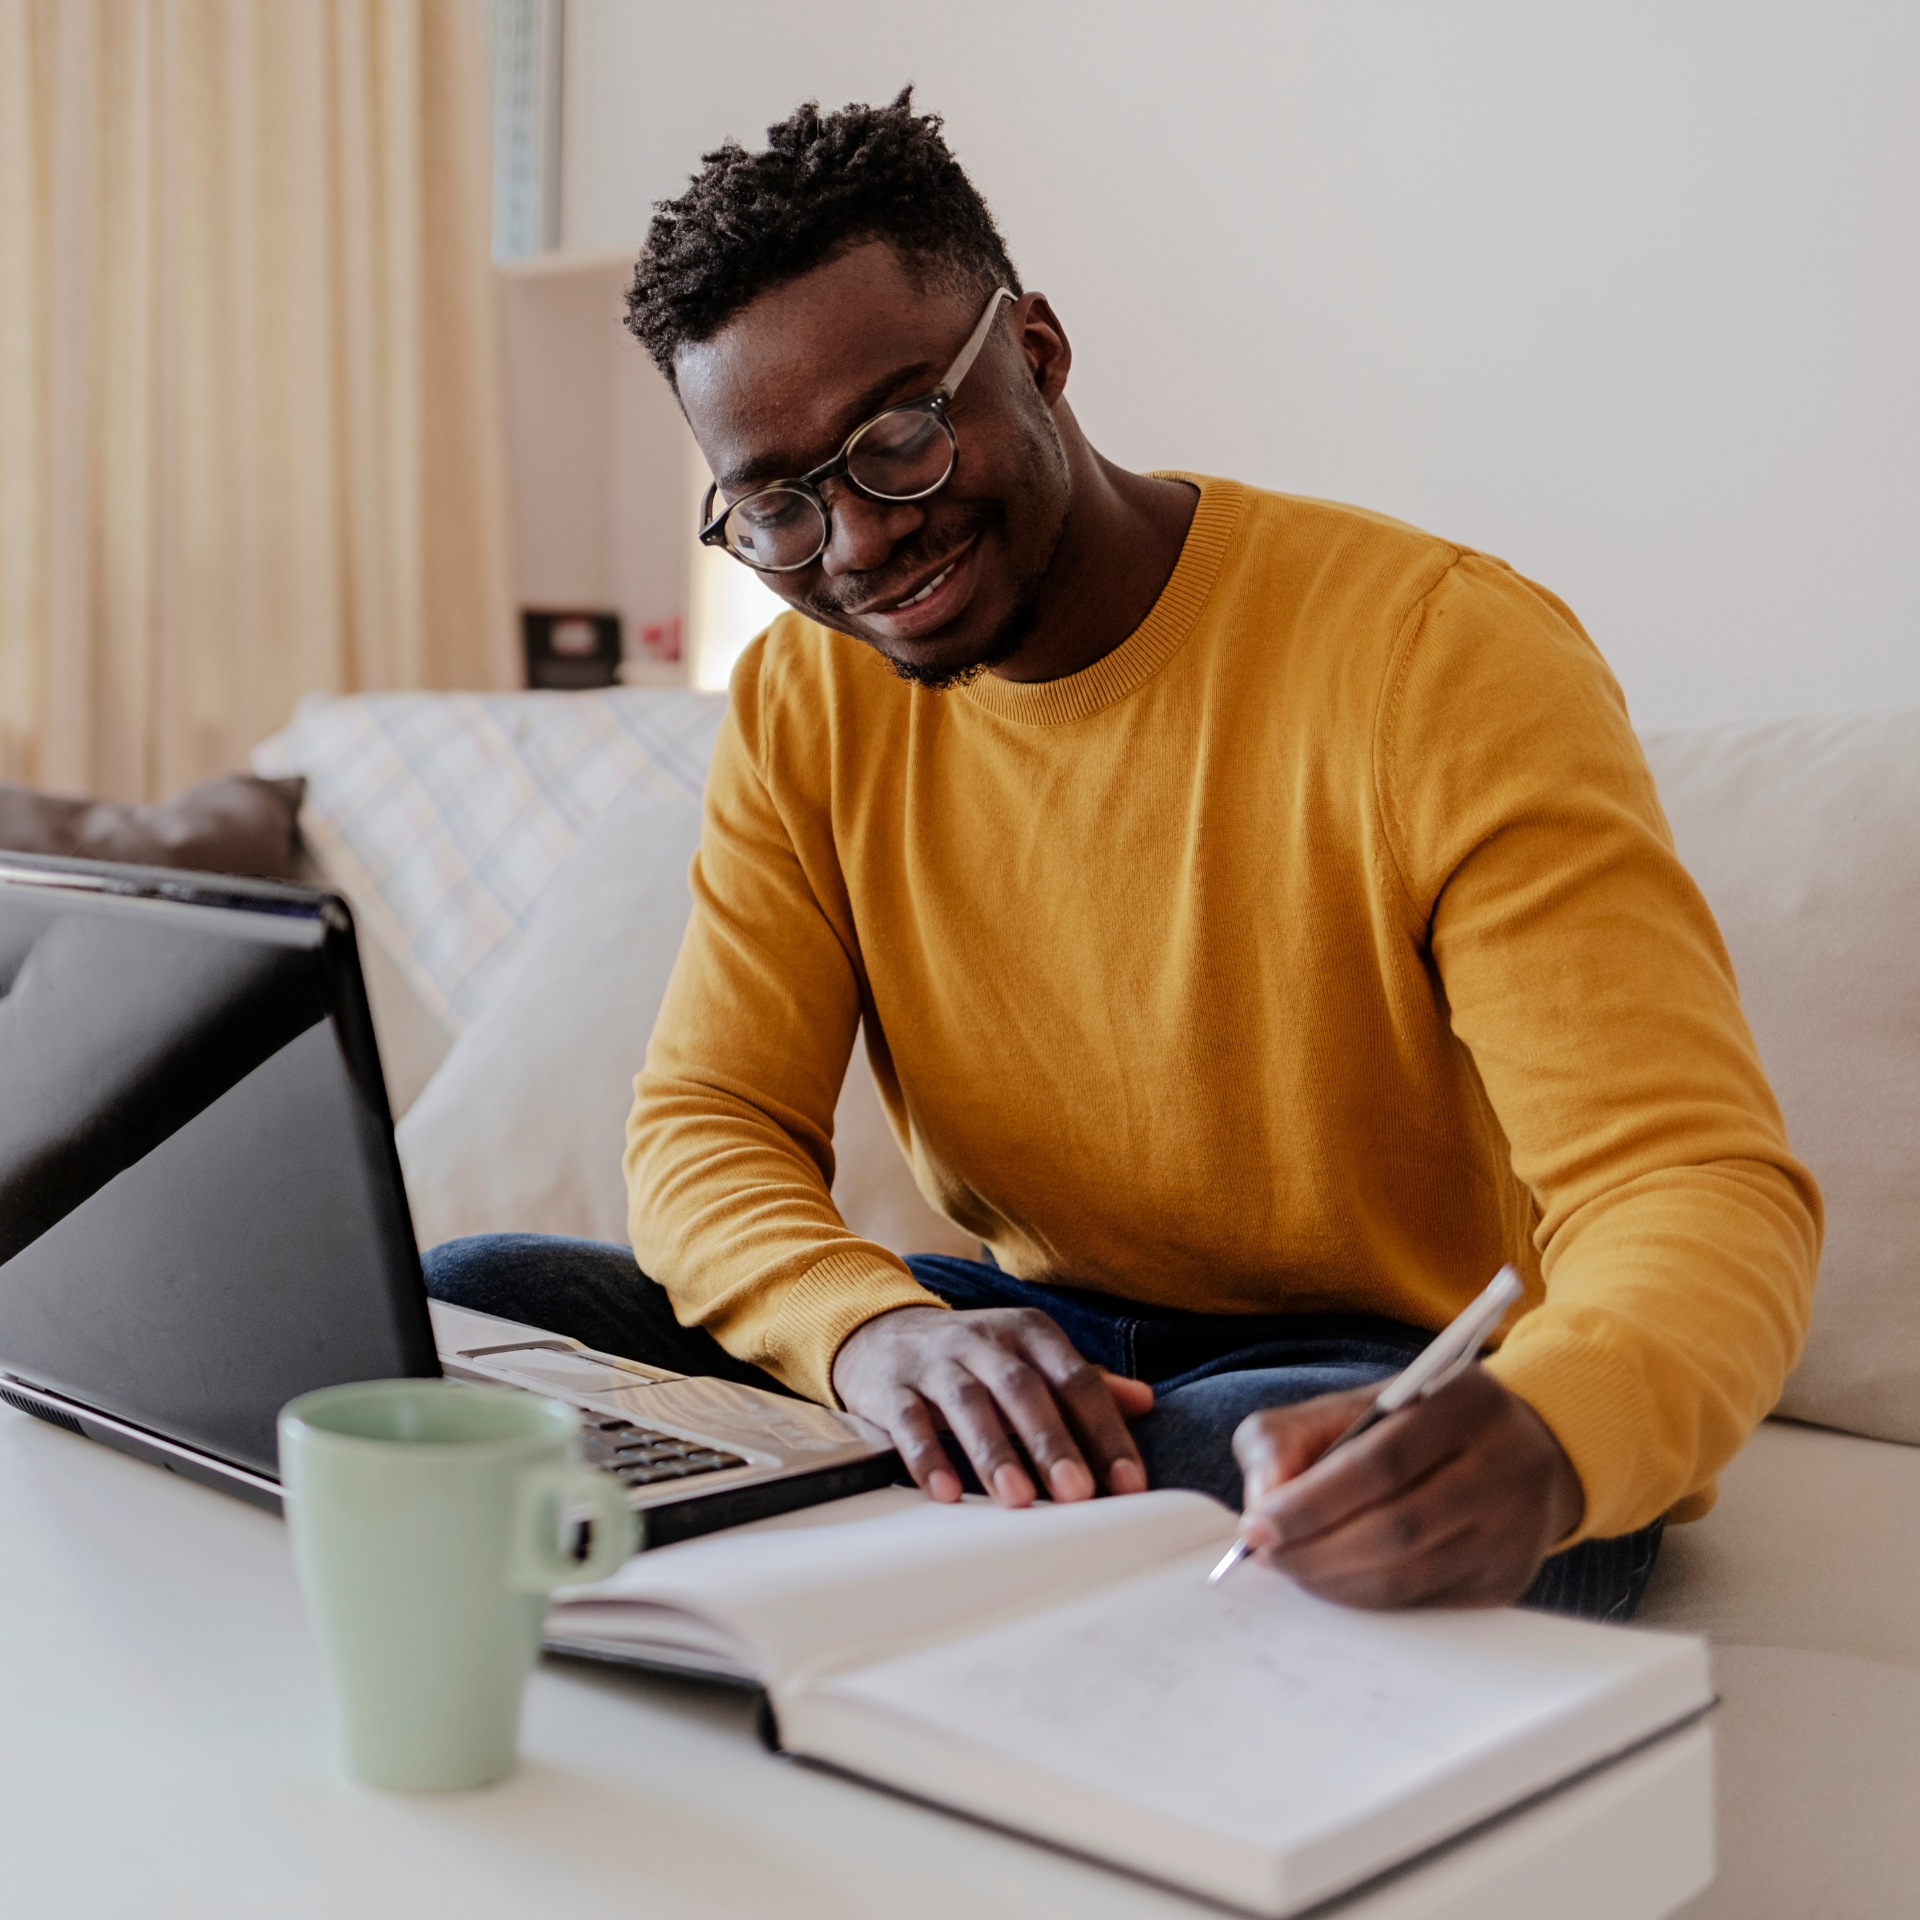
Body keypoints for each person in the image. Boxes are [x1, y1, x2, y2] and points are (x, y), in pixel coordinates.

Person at [425, 90, 1820, 1621]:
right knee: (469, 1307)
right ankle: (971, 1522)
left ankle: (928, 1537)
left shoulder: (1440, 655)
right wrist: (874, 1338)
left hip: (1381, 1373)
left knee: (1274, 1466)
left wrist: (1553, 1438)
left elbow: (1689, 1183)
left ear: (1034, 352)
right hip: (1046, 1342)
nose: (859, 543)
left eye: (898, 439)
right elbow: (710, 1125)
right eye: (779, 507)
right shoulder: (801, 703)